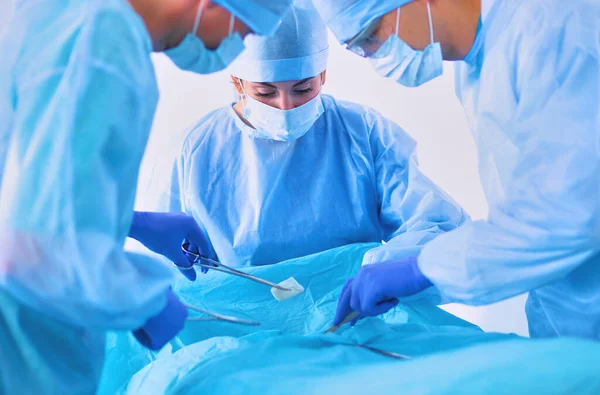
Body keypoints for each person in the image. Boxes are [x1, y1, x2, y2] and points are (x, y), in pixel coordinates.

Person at [0, 0, 292, 392]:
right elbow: (37, 252)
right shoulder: (106, 43)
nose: (239, 44)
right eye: (247, 29)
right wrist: (140, 299)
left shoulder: (57, 12)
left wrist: (131, 223)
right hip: (22, 339)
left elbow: (29, 178)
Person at [313, 0, 600, 340]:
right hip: (565, 314)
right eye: (358, 48)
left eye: (371, 35)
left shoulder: (552, 28)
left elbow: (564, 215)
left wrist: (424, 269)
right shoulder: (480, 63)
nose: (375, 56)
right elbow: (529, 210)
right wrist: (427, 270)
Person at [156, 0, 467, 284]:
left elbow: (436, 224)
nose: (286, 106)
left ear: (323, 75)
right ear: (236, 81)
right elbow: (166, 269)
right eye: (265, 93)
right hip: (242, 329)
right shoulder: (196, 151)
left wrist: (384, 271)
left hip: (355, 317)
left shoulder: (362, 133)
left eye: (303, 89)